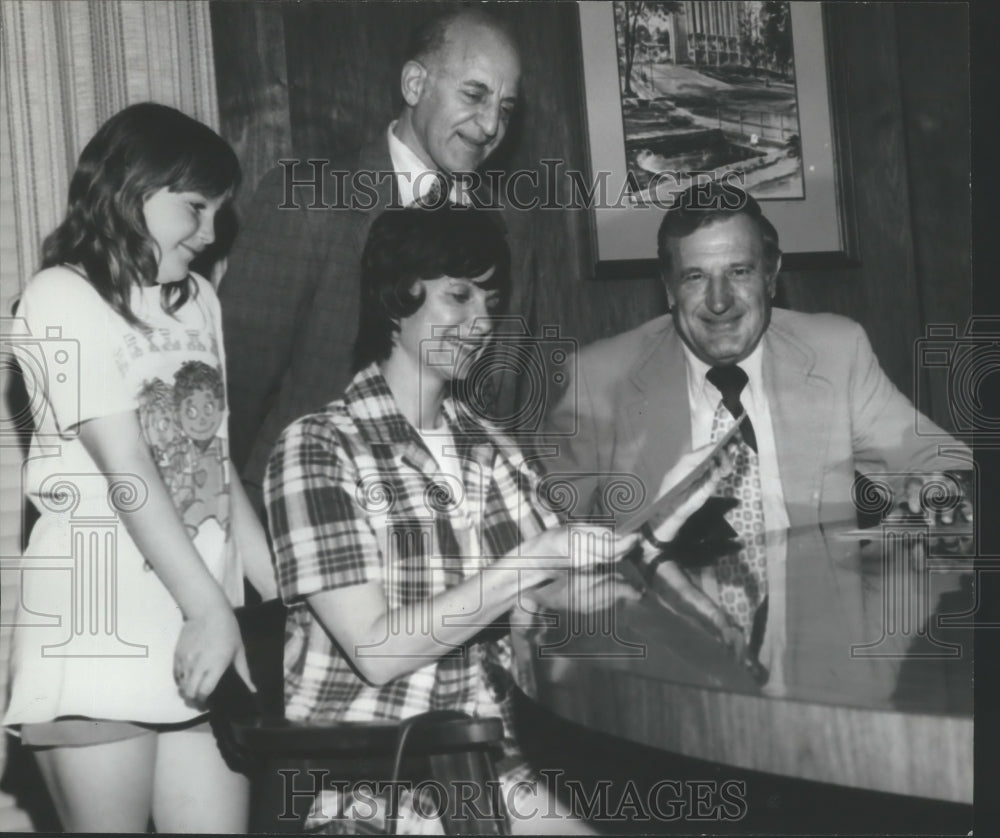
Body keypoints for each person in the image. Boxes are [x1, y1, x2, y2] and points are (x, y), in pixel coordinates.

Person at [264, 205, 723, 834]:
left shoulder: (493, 444)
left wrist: (650, 538)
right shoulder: (319, 447)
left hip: (496, 761)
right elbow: (377, 650)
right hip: (377, 778)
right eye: (457, 296)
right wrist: (529, 562)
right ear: (396, 300)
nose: (481, 322)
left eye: (490, 299)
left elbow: (548, 604)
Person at [3, 102, 277, 833]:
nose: (211, 232)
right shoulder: (58, 297)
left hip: (199, 631)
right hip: (101, 627)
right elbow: (125, 466)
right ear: (130, 188)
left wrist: (282, 587)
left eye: (218, 212)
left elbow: (214, 461)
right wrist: (211, 608)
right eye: (194, 207)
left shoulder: (200, 303)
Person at [544, 181, 972, 645]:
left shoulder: (835, 351)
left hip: (820, 647)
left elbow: (939, 461)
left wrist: (934, 487)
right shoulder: (598, 378)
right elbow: (537, 535)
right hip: (661, 653)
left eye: (740, 272)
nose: (719, 300)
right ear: (667, 288)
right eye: (694, 276)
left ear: (771, 275)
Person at [222, 7, 530, 516]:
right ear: (414, 83)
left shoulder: (512, 226)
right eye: (474, 95)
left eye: (507, 107)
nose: (492, 124)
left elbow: (504, 395)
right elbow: (237, 386)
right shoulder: (309, 199)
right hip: (309, 516)